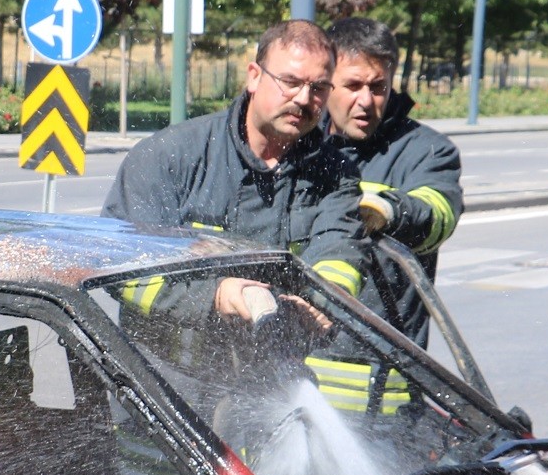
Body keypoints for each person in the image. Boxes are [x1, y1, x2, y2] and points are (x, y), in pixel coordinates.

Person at [104, 19, 369, 317]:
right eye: (291, 82)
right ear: (254, 77)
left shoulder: (335, 173)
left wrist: (324, 301)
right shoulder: (169, 156)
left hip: (273, 361)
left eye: (319, 88)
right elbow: (121, 265)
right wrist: (214, 297)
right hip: (153, 364)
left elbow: (339, 250)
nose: (304, 99)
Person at [323, 16, 465, 347]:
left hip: (386, 382)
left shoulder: (428, 150)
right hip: (296, 374)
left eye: (377, 87)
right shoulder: (303, 148)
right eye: (353, 86)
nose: (366, 100)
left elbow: (436, 214)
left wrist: (388, 211)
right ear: (326, 81)